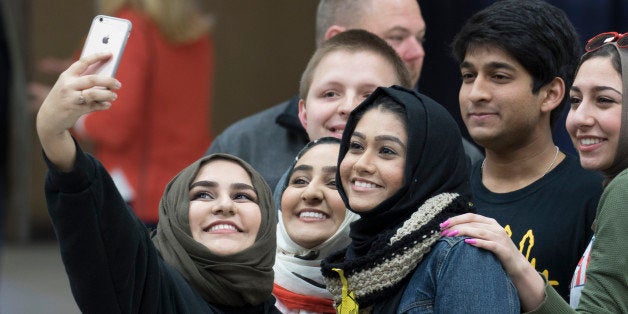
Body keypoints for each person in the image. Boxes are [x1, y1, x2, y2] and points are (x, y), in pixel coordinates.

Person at [36, 53, 278, 312]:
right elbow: (106, 243)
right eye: (203, 195)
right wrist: (53, 134)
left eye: (243, 196)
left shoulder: (282, 303)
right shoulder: (150, 294)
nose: (225, 206)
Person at [207, 0, 483, 191]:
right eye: (397, 37)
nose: (417, 52)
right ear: (338, 40)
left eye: (420, 38)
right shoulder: (242, 145)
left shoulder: (456, 157)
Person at [442, 32, 628, 313]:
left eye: (604, 100)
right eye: (576, 101)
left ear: (550, 94)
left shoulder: (622, 190)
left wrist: (516, 264)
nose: (580, 118)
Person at [319, 85, 519, 313]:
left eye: (386, 151)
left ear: (427, 167)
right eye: (355, 146)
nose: (362, 164)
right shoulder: (359, 255)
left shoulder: (462, 253)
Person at [67, 0, 215, 227]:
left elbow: (114, 126)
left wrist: (72, 112)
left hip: (137, 191)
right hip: (191, 184)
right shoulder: (194, 30)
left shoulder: (127, 29)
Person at [273, 137, 359, 313]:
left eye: (335, 183)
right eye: (300, 180)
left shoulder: (392, 294)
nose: (311, 192)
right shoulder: (235, 290)